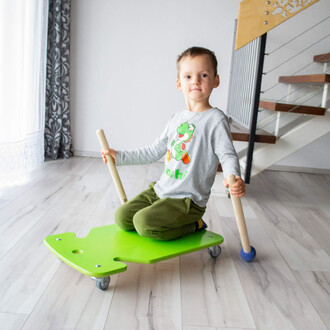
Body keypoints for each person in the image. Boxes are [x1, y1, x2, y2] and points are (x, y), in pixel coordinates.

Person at [101, 46, 245, 241]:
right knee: (122, 218)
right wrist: (119, 156)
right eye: (188, 76)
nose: (195, 80)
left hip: (188, 201)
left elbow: (227, 155)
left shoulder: (216, 120)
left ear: (215, 80)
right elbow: (154, 151)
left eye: (203, 75)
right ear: (179, 83)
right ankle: (160, 217)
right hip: (162, 190)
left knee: (143, 224)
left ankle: (196, 224)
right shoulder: (176, 119)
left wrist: (233, 176)